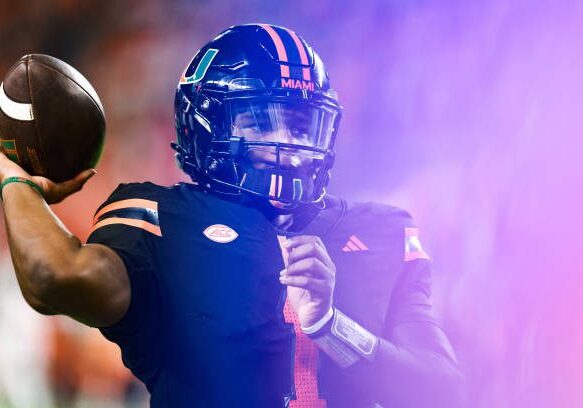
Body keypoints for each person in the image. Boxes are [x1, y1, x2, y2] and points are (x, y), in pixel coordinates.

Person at [0, 24, 465, 407]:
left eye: (301, 122)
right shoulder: (161, 218)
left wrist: (333, 327)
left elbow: (442, 391)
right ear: (207, 125)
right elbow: (51, 276)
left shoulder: (382, 230)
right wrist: (13, 178)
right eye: (263, 120)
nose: (288, 139)